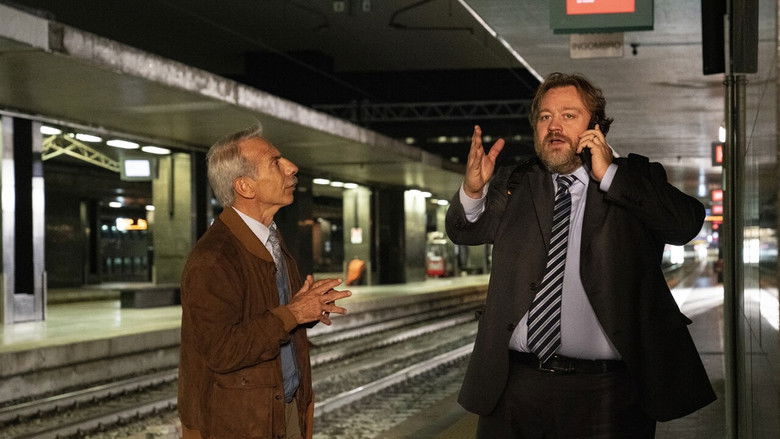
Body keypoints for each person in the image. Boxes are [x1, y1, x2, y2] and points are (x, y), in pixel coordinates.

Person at [446, 72, 716, 438]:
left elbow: (685, 224)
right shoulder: (514, 183)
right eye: (545, 117)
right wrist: (472, 192)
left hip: (607, 394)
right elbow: (464, 231)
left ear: (596, 127)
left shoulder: (633, 179)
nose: (554, 126)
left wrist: (611, 175)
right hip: (515, 389)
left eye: (568, 115)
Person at [178, 126, 351, 439]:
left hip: (282, 407)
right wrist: (293, 313)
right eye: (275, 162)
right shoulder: (214, 258)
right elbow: (221, 350)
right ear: (245, 186)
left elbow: (266, 314)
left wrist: (306, 310)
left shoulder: (271, 239)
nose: (292, 167)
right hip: (240, 423)